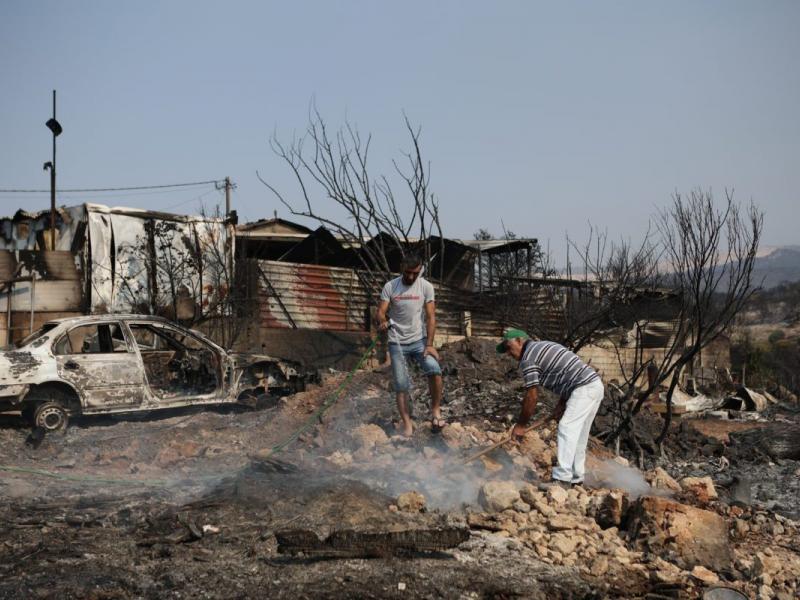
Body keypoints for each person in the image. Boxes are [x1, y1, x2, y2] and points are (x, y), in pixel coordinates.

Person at [497, 328, 604, 487]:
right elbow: (567, 373)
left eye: (508, 348)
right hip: (594, 385)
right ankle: (576, 477)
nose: (508, 353)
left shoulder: (528, 358)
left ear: (519, 341)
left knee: (567, 427)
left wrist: (520, 425)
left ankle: (562, 479)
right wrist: (561, 405)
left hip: (583, 388)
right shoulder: (543, 346)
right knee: (579, 433)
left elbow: (532, 395)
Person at [376, 253, 444, 437]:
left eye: (415, 273)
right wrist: (383, 321)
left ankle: (436, 411)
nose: (411, 277)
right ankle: (407, 424)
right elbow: (381, 312)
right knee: (401, 384)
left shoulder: (426, 287)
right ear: (401, 268)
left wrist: (429, 344)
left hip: (419, 341)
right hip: (396, 343)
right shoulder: (391, 286)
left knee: (434, 369)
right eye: (408, 273)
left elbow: (431, 316)